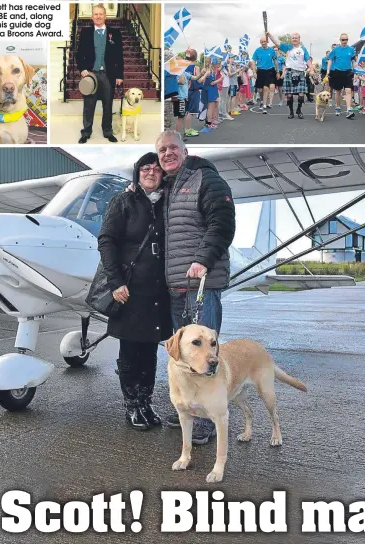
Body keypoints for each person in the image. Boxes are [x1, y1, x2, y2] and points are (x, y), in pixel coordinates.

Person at [155, 129, 235, 445]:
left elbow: (223, 222)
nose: (167, 153)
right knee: (184, 357)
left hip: (201, 282)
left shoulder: (206, 179)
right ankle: (189, 412)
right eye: (162, 150)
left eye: (173, 147)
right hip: (176, 285)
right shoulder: (168, 188)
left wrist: (203, 259)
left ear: (185, 151)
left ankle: (208, 420)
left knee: (206, 357)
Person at [98, 153, 172, 430]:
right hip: (129, 290)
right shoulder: (124, 201)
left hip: (157, 290)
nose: (151, 172)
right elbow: (106, 241)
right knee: (129, 349)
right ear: (137, 173)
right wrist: (116, 282)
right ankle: (131, 405)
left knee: (150, 350)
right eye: (145, 168)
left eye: (156, 168)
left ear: (163, 174)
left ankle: (146, 400)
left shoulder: (167, 203)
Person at [76, 4, 123, 143]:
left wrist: (120, 75)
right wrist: (82, 68)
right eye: (95, 14)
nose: (98, 16)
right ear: (92, 17)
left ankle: (107, 131)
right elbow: (79, 54)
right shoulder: (85, 32)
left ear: (105, 16)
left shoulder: (115, 33)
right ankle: (86, 132)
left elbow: (119, 55)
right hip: (91, 74)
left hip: (108, 74)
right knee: (89, 105)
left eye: (100, 14)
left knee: (108, 105)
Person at [267, 31, 314, 119]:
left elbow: (307, 60)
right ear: (291, 39)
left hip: (300, 72)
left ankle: (299, 110)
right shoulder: (287, 47)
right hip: (289, 72)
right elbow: (276, 43)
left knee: (301, 93)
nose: (294, 39)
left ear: (299, 39)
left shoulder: (303, 49)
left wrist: (311, 68)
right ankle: (291, 111)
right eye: (293, 38)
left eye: (296, 38)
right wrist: (269, 35)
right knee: (289, 94)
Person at [326, 33, 357, 119]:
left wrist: (356, 70)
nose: (345, 41)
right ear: (340, 40)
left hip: (348, 72)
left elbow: (353, 61)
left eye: (346, 39)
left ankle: (349, 109)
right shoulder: (336, 49)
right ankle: (338, 107)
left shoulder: (351, 49)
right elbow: (330, 60)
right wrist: (328, 70)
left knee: (348, 91)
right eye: (343, 40)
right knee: (338, 91)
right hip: (338, 72)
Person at [251, 36, 279, 113]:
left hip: (269, 70)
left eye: (264, 41)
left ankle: (265, 105)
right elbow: (253, 61)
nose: (263, 43)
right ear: (260, 42)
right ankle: (262, 101)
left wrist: (277, 71)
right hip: (260, 71)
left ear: (267, 42)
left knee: (266, 88)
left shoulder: (271, 50)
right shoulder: (257, 51)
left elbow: (275, 61)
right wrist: (254, 72)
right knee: (260, 89)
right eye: (262, 42)